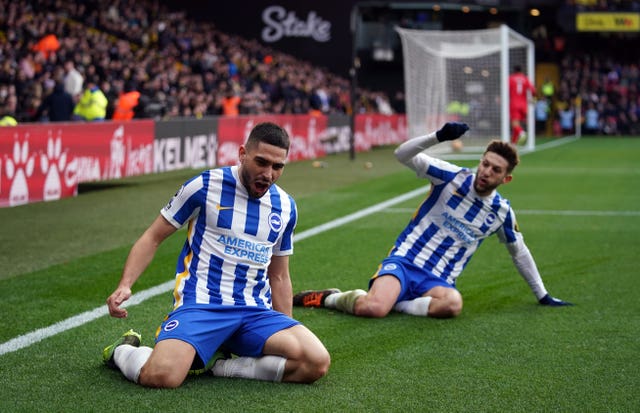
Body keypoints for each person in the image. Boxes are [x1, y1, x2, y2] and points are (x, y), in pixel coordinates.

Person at [103, 122, 330, 388]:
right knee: (162, 376)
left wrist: (285, 326)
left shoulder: (285, 206)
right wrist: (125, 285)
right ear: (243, 153)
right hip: (202, 305)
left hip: (254, 312)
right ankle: (124, 349)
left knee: (316, 362)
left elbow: (279, 276)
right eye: (261, 162)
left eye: (277, 167)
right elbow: (153, 237)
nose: (268, 174)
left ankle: (224, 366)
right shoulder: (204, 186)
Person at [294, 122, 572, 318]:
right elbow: (402, 154)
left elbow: (519, 253)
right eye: (485, 163)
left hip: (437, 282)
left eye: (495, 169)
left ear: (505, 178)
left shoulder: (501, 213)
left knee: (453, 305)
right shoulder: (450, 176)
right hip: (405, 262)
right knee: (374, 309)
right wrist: (438, 136)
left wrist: (543, 295)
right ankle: (329, 297)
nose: (486, 171)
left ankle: (398, 304)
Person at [509, 65, 536, 145]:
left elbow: (506, 89)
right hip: (524, 105)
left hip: (514, 104)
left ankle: (521, 133)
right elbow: (533, 90)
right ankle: (513, 144)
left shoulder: (511, 78)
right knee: (517, 124)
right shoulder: (525, 78)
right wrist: (533, 99)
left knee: (514, 124)